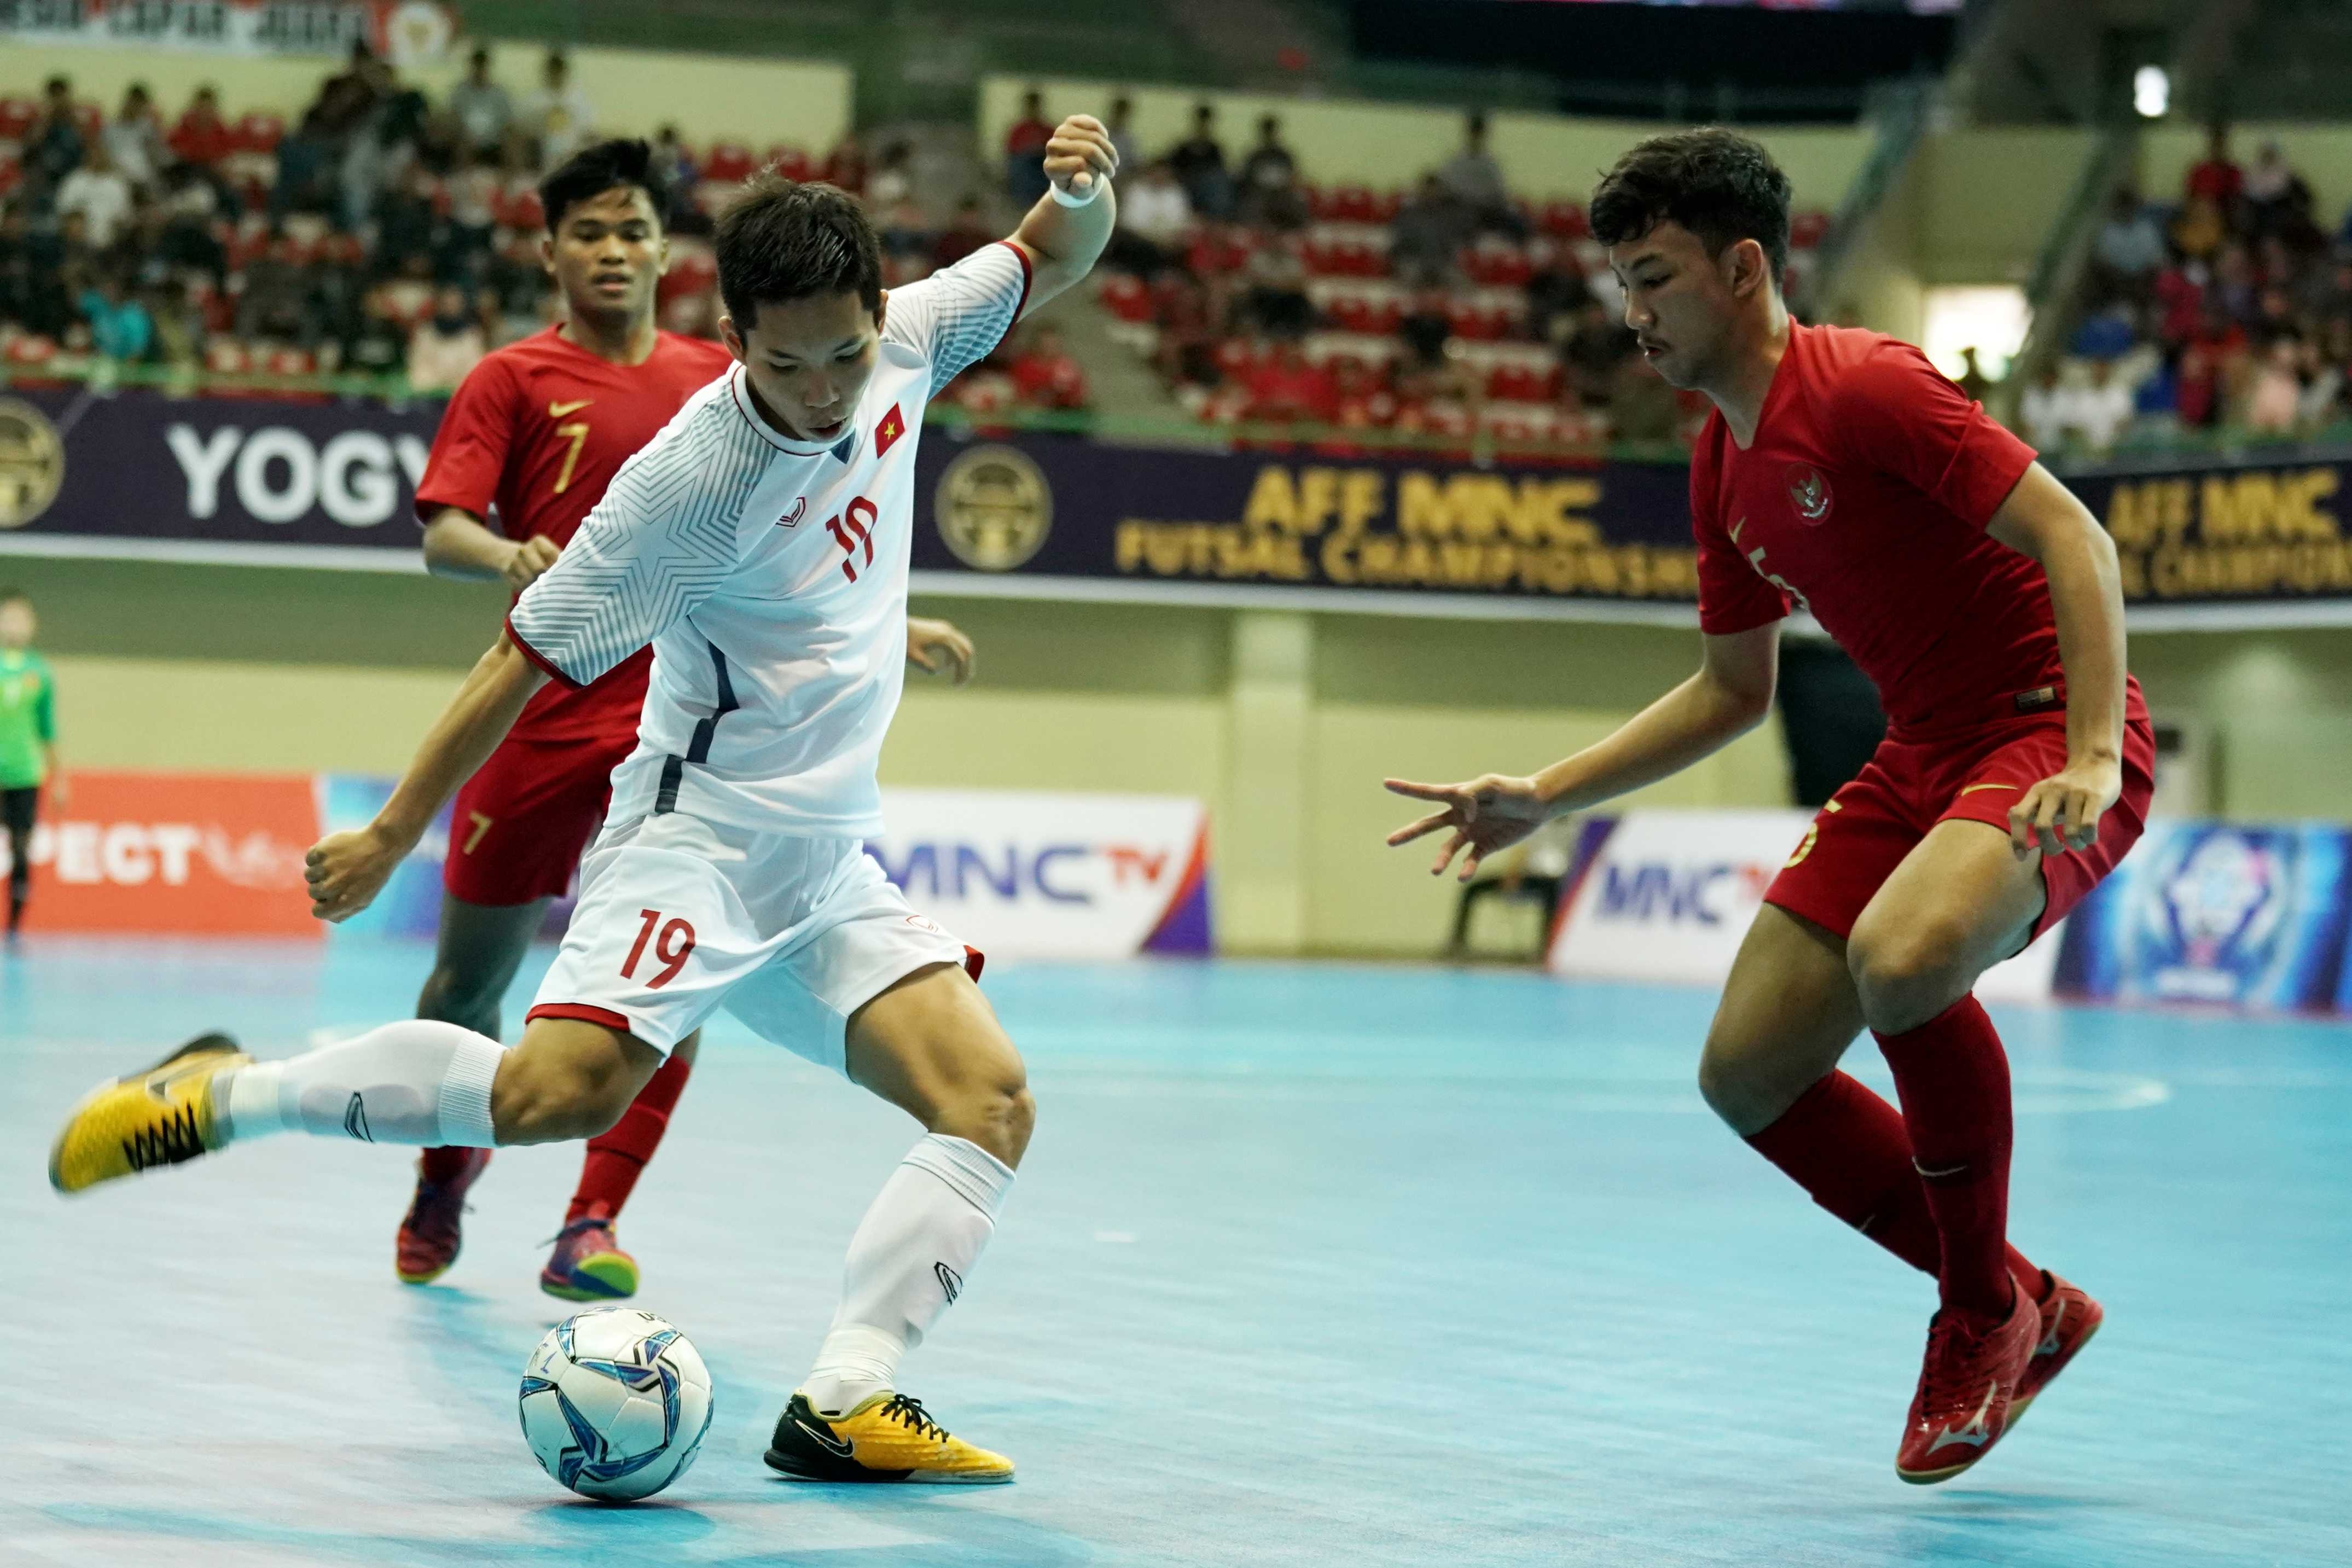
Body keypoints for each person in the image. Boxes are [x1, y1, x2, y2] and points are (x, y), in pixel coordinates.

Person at [50, 112, 1121, 1485]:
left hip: (829, 861)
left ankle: (848, 1394)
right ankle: (228, 1091)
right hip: (698, 841)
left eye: (844, 351)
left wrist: (1081, 191)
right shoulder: (688, 479)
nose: (825, 390)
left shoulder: (912, 333)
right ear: (734, 335)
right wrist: (390, 833)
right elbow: (519, 653)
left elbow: (1054, 253)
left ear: (876, 312)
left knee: (990, 1096)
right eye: (785, 362)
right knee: (551, 1093)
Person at [1384, 129, 2151, 1485]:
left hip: (2044, 729)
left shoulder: (1862, 387)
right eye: (1621, 282)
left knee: (1905, 958)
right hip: (1924, 754)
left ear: (1743, 268)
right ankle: (2027, 1295)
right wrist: (1545, 798)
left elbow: (2075, 540)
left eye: (1656, 278)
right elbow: (1730, 691)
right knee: (1744, 1069)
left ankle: (1980, 1314)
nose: (1634, 314)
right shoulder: (1716, 464)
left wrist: (2091, 752)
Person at [0, 589, 63, 940]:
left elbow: (48, 728)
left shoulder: (39, 671)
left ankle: (13, 927)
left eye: (20, 618)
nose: (14, 625)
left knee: (21, 849)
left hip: (25, 774)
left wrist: (60, 779)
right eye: (7, 617)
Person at [406, 284, 488, 391]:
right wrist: (440, 387)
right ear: (438, 306)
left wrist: (454, 385)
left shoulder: (473, 336)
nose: (450, 308)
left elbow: (475, 370)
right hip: (430, 395)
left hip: (461, 393)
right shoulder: (424, 333)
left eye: (455, 304)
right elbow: (417, 369)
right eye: (446, 304)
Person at [523, 50, 595, 169]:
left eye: (559, 71)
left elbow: (588, 130)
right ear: (548, 72)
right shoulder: (535, 99)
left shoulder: (578, 100)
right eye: (553, 71)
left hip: (572, 149)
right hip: (543, 149)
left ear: (565, 73)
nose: (556, 75)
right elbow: (526, 128)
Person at [448, 46, 514, 158]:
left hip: (494, 140)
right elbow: (453, 117)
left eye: (482, 66)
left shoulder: (499, 93)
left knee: (513, 141)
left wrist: (495, 135)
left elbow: (507, 121)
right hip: (466, 139)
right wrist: (464, 133)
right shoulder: (460, 92)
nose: (479, 70)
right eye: (476, 66)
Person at [1005, 89, 1053, 207]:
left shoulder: (1048, 130)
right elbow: (1011, 154)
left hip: (1043, 169)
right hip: (1025, 172)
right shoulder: (1018, 131)